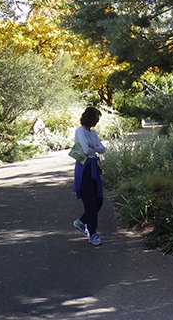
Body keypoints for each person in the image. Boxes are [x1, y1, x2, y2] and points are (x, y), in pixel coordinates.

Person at [72, 106, 106, 247]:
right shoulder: (80, 131)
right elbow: (86, 150)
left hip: (94, 167)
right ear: (90, 118)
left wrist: (94, 147)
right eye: (96, 118)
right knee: (90, 202)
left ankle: (81, 222)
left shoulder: (93, 133)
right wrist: (94, 148)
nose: (97, 121)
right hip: (84, 168)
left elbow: (102, 149)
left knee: (99, 200)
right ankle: (92, 234)